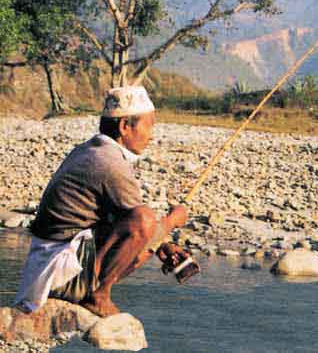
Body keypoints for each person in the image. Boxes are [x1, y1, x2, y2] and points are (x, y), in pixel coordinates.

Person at [15, 86, 192, 317]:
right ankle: (99, 295)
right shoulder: (109, 162)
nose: (152, 135)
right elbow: (142, 225)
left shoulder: (89, 149)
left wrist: (163, 244)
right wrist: (172, 220)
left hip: (47, 268)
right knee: (145, 220)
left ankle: (93, 291)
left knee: (147, 234)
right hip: (59, 276)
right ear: (125, 126)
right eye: (149, 125)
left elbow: (126, 224)